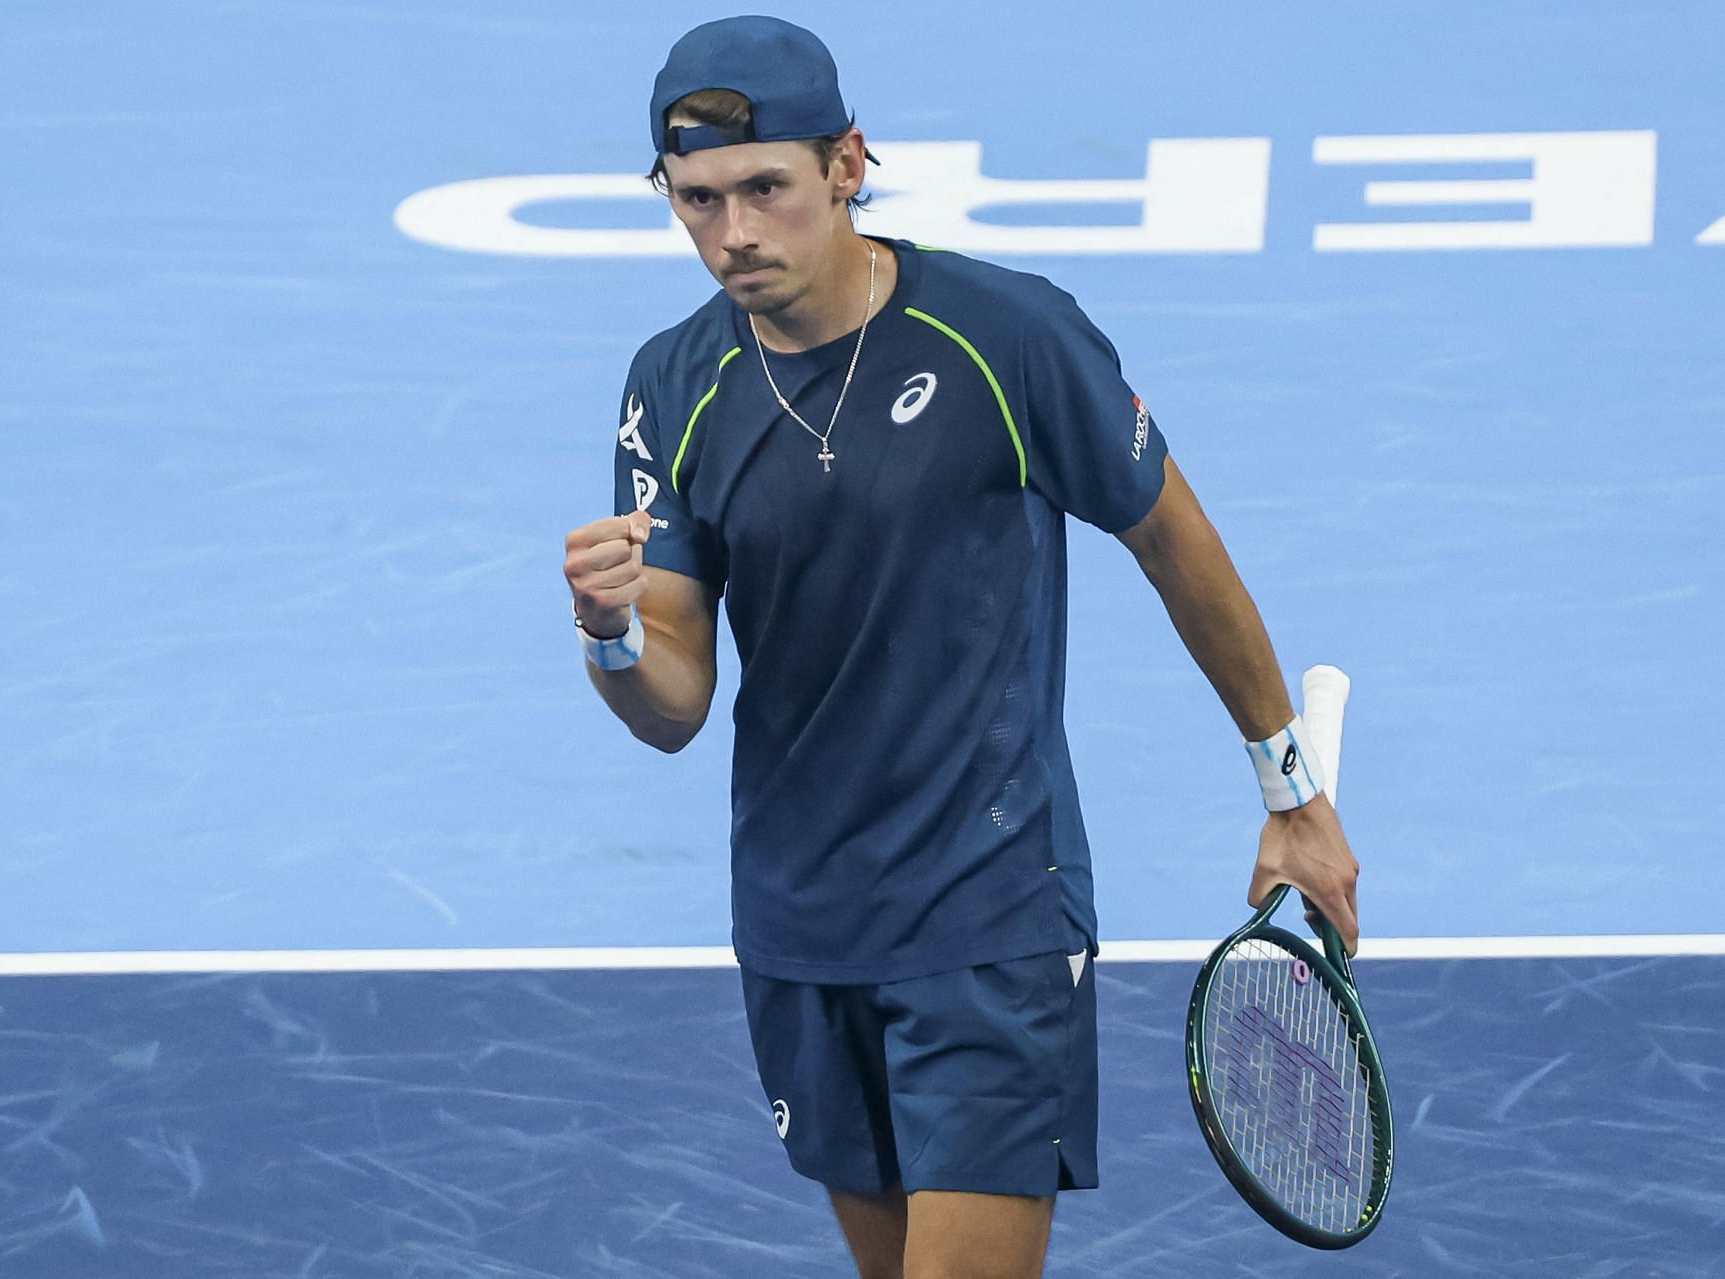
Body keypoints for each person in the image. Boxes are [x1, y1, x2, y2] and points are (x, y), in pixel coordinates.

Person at [561, 16, 1361, 1279]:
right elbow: (674, 701)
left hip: (990, 915)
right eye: (697, 200)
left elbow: (1180, 548)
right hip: (798, 925)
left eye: (764, 188)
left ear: (847, 164)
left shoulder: (1008, 337)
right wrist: (609, 636)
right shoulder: (673, 383)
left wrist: (1289, 792)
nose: (733, 235)